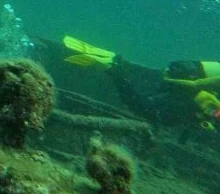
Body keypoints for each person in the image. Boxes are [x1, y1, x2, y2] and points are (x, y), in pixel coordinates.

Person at [63, 35, 220, 133]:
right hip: (188, 94)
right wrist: (170, 81)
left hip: (189, 94)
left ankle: (116, 61)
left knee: (147, 100)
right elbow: (197, 85)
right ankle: (113, 67)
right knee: (142, 107)